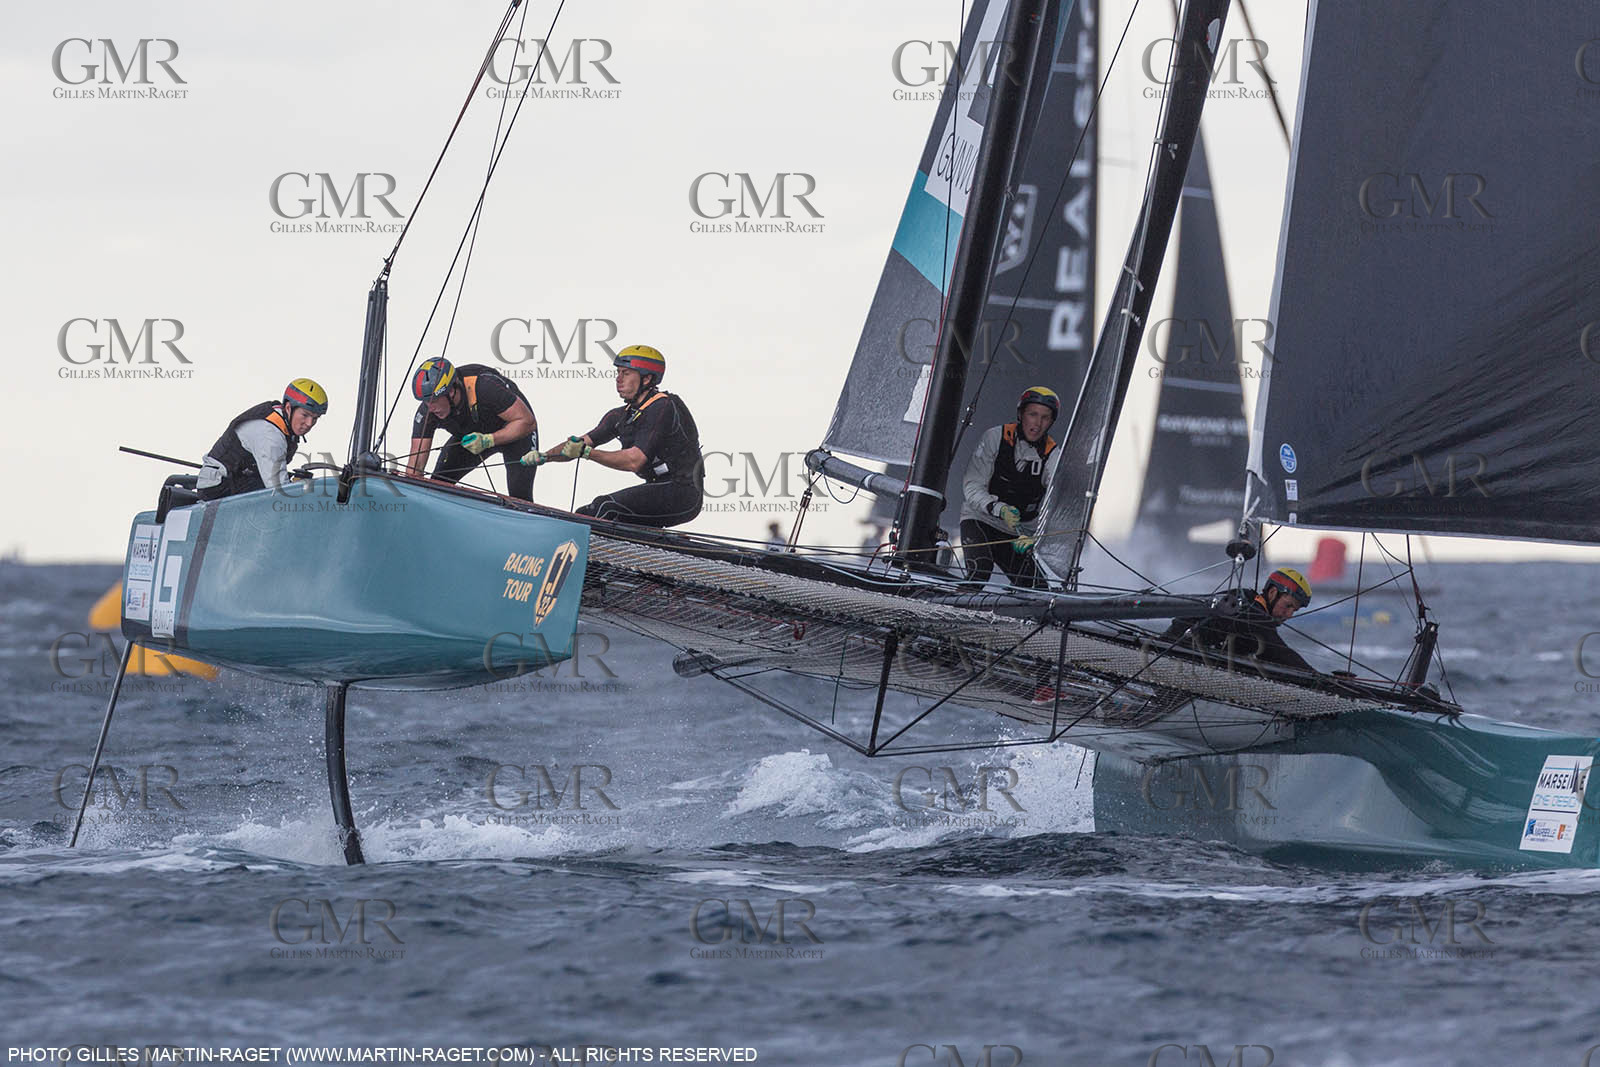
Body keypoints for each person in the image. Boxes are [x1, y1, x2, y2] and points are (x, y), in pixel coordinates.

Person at [528, 344, 703, 528]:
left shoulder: (662, 407)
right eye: (618, 372)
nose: (618, 379)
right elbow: (578, 444)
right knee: (585, 514)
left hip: (684, 493)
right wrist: (545, 456)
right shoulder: (619, 416)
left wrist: (587, 453)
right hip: (656, 487)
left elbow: (634, 461)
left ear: (647, 378)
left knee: (605, 508)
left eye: (626, 373)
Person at [959, 386, 1061, 588]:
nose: (1037, 423)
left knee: (1037, 589)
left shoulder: (1053, 455)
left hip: (1017, 533)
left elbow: (1059, 505)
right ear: (1021, 414)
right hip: (980, 519)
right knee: (980, 570)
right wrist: (999, 509)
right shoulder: (994, 437)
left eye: (1045, 417)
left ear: (1051, 422)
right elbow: (972, 486)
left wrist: (1038, 538)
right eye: (1033, 414)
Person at [405, 357, 539, 501]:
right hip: (472, 436)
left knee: (520, 498)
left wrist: (488, 440)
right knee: (438, 486)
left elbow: (527, 422)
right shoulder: (428, 411)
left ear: (451, 392)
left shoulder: (484, 387)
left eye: (434, 401)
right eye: (425, 402)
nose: (430, 407)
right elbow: (415, 467)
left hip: (515, 431)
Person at [1161, 567, 1318, 676]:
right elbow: (1277, 653)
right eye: (1288, 606)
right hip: (1174, 660)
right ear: (1272, 593)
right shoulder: (1254, 615)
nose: (1289, 614)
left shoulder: (1246, 598)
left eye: (1294, 610)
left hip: (1177, 656)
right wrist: (1320, 679)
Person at [196, 378, 328, 500]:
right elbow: (278, 490)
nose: (309, 423)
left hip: (238, 481)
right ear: (288, 408)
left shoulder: (282, 422)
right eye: (305, 415)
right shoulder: (269, 435)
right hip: (216, 488)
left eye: (315, 418)